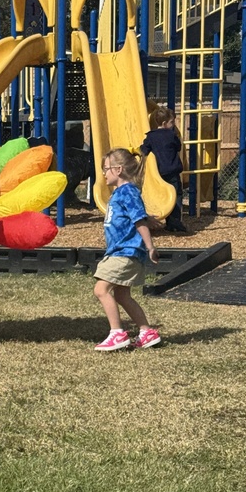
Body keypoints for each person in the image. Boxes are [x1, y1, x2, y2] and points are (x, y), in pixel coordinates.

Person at [93, 148, 161, 352]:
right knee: (122, 295)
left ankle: (117, 333)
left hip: (125, 252)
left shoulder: (128, 192)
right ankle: (146, 332)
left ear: (119, 169)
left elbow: (139, 220)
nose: (104, 173)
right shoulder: (121, 193)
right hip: (120, 251)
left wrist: (150, 247)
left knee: (101, 289)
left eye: (106, 169)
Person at [140, 105, 186, 232]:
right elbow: (178, 147)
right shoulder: (171, 135)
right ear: (165, 123)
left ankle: (157, 215)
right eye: (172, 122)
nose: (173, 125)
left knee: (162, 195)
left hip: (158, 173)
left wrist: (135, 152)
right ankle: (174, 222)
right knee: (176, 195)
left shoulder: (151, 137)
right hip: (172, 171)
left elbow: (144, 150)